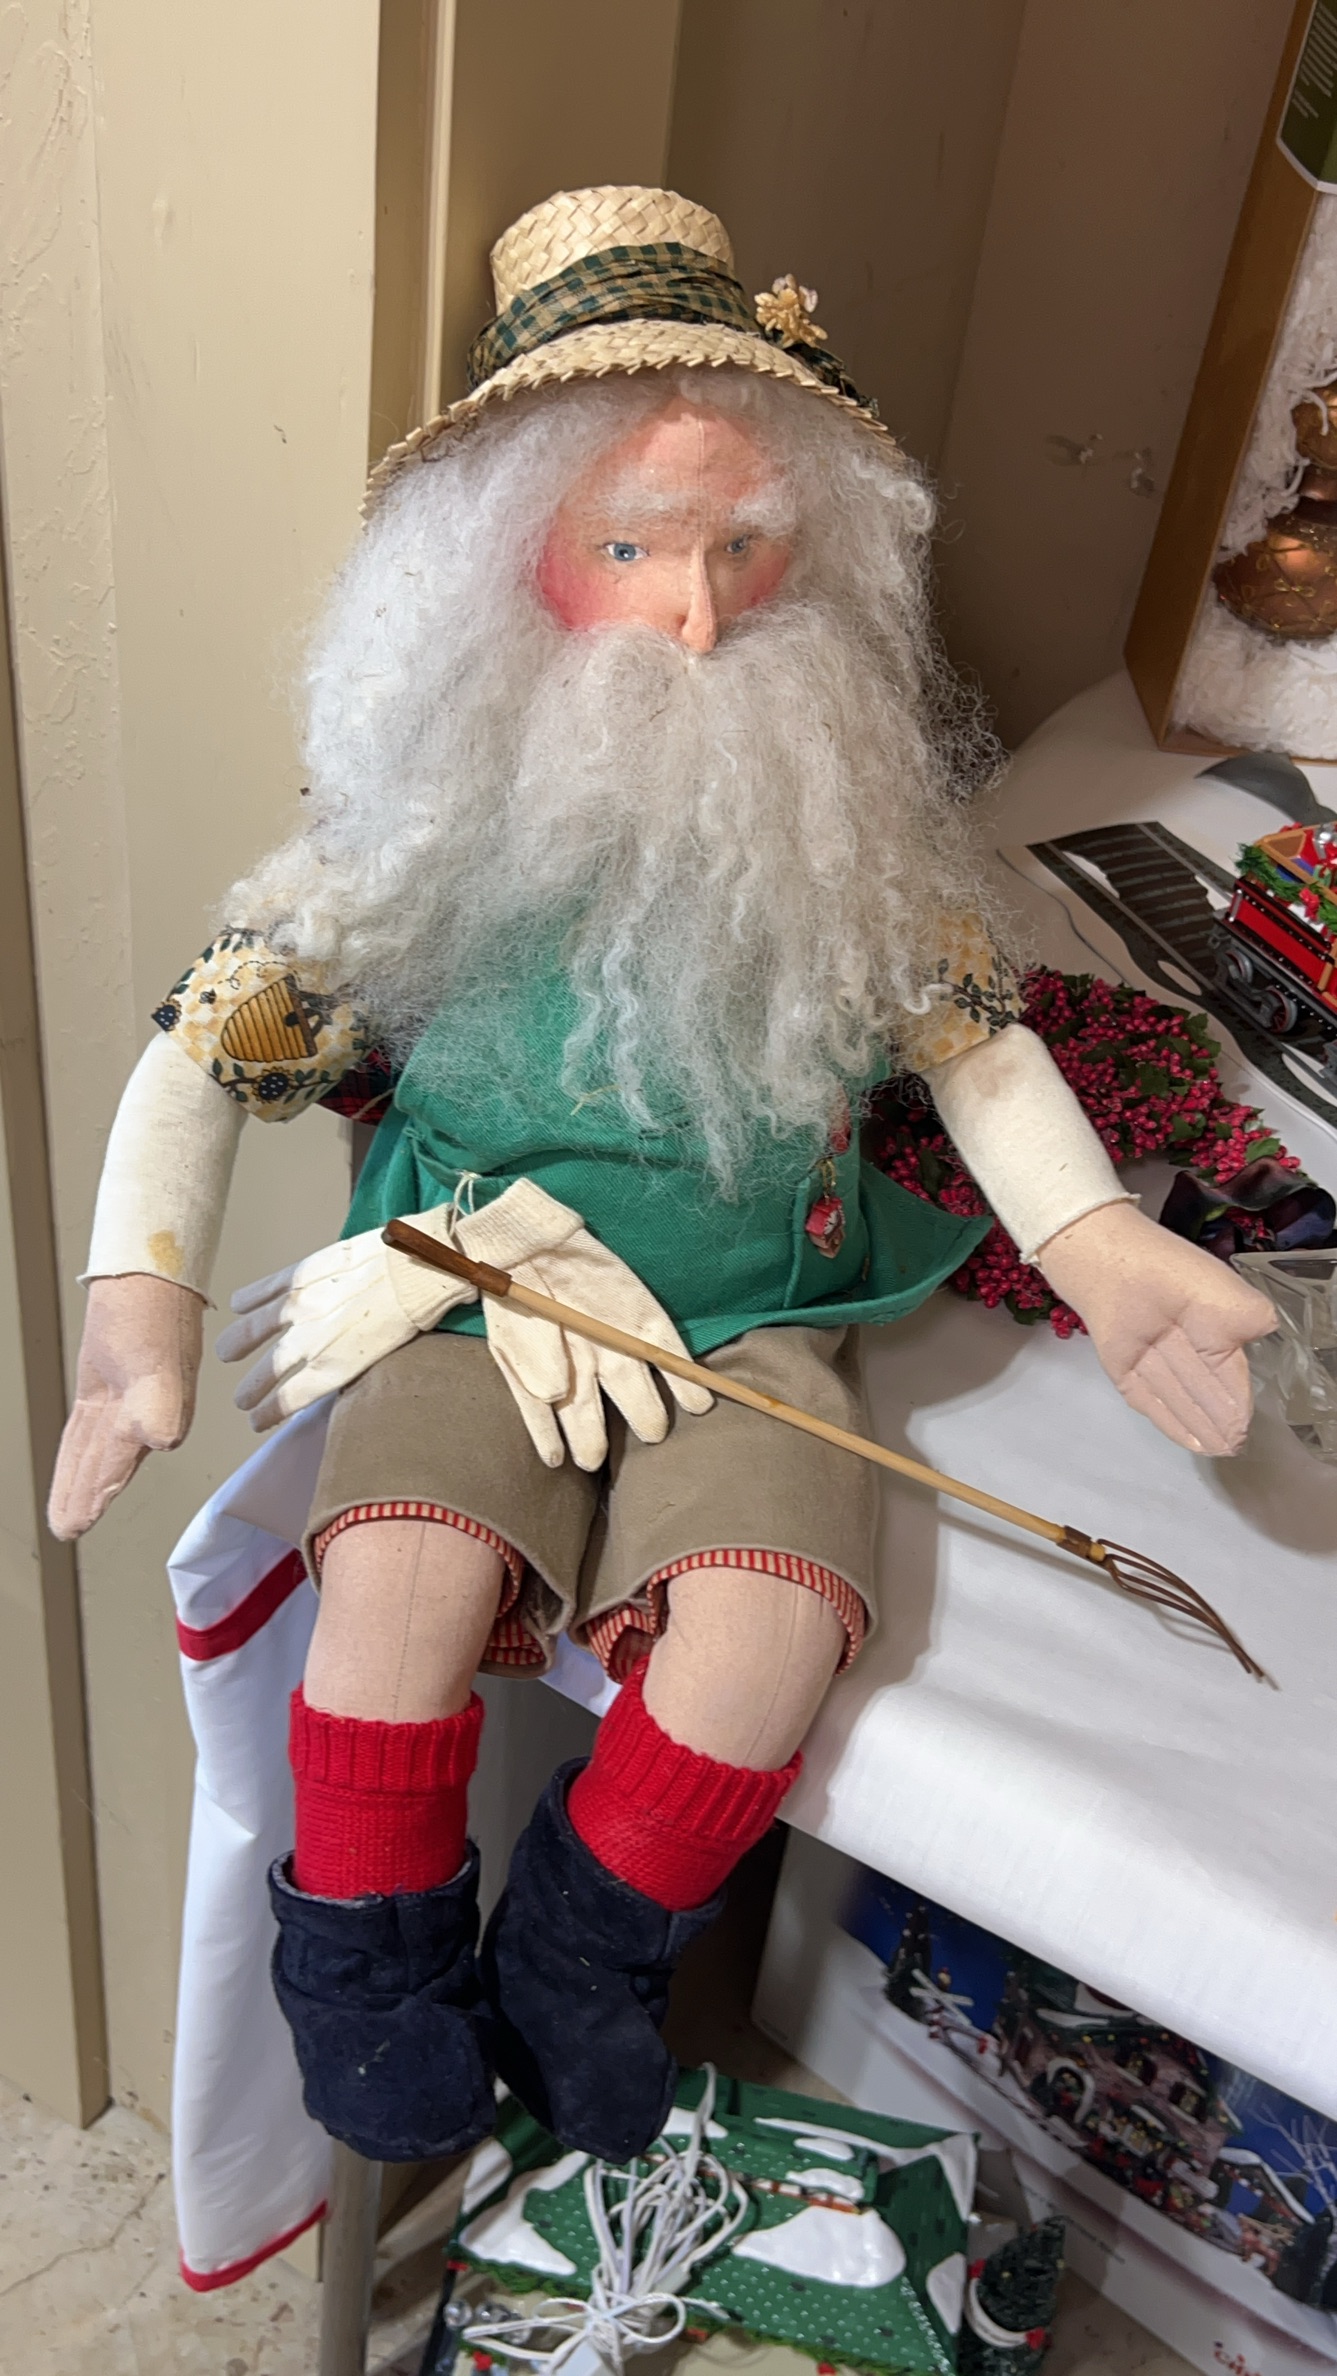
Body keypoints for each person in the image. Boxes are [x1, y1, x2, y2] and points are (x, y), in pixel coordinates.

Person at [47, 187, 1275, 2169]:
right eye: (629, 546)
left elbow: (975, 1047)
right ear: (507, 562)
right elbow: (205, 1049)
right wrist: (137, 1305)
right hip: (473, 1284)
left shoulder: (839, 834)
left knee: (771, 1627)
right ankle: (364, 1958)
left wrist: (1104, 1243)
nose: (697, 613)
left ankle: (585, 1946)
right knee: (398, 1578)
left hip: (761, 1311)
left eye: (743, 547)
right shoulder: (416, 836)